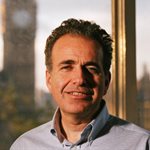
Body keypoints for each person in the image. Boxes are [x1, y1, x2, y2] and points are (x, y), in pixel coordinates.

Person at [10, 18, 150, 150]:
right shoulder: (24, 146)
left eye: (91, 68)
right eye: (67, 67)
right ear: (49, 79)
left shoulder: (143, 144)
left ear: (106, 81)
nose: (80, 79)